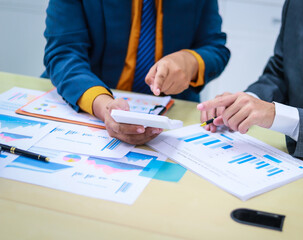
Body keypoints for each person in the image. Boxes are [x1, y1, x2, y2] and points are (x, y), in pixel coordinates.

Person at [42, 0, 230, 145]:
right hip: (83, 105)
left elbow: (215, 47)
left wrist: (189, 62)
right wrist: (103, 105)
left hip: (173, 117)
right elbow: (64, 53)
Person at [198, 0, 303, 167]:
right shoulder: (299, 4)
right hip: (290, 162)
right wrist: (247, 102)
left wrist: (280, 116)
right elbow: (281, 72)